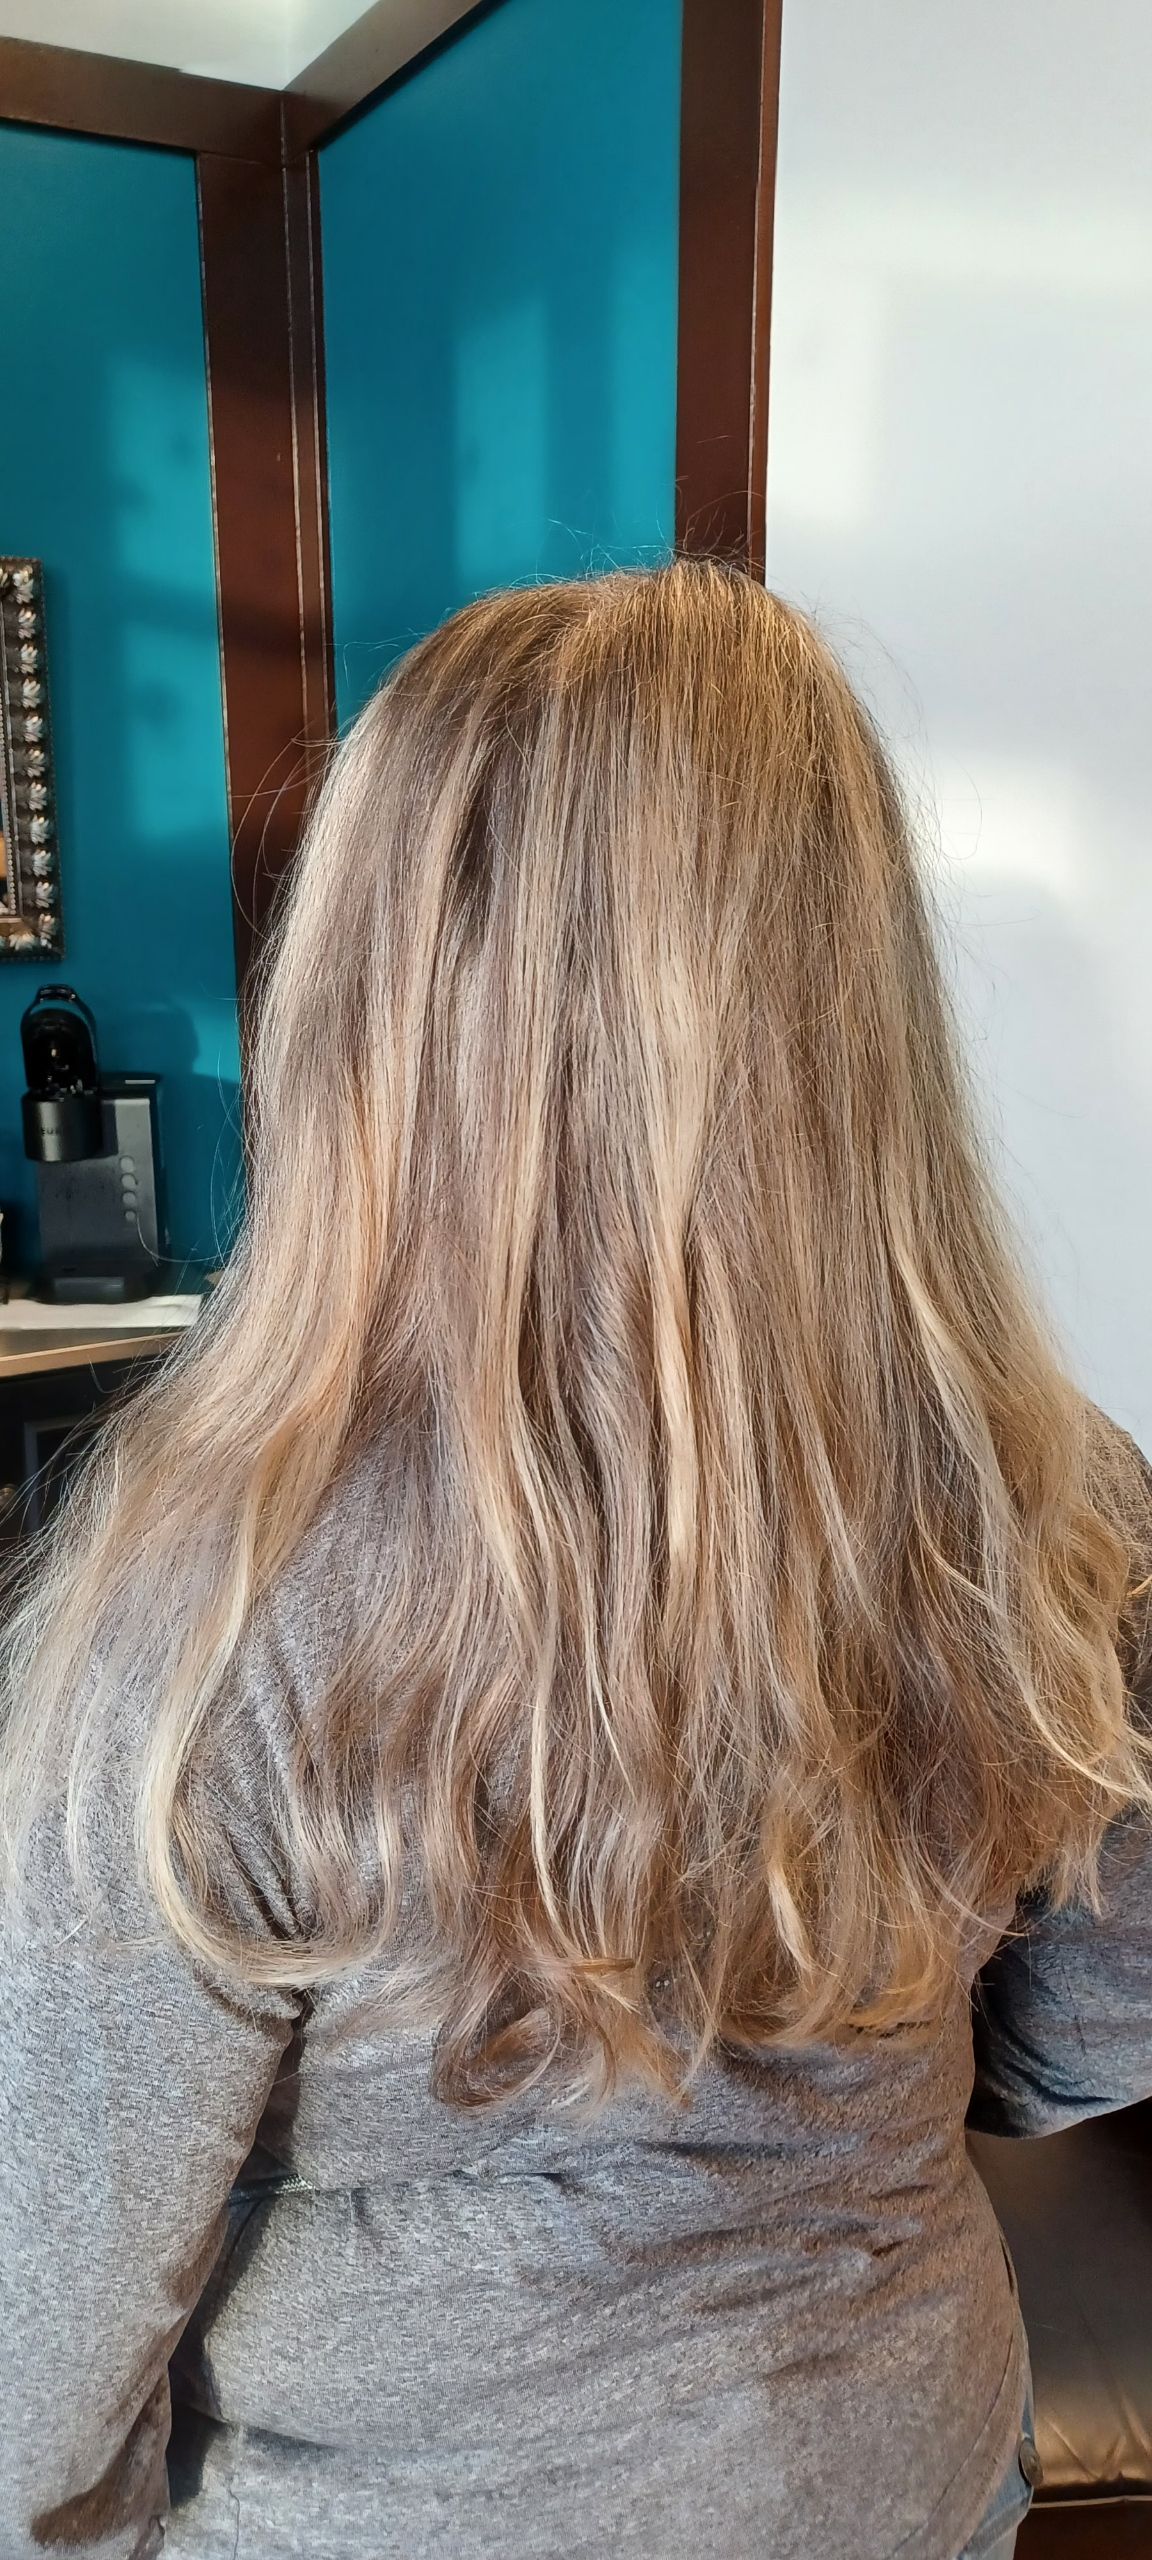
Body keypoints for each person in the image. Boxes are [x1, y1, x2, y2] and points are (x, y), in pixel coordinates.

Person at [1, 563, 1150, 2560]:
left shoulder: (201, 1611)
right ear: (856, 993)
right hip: (900, 2467)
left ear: (372, 995)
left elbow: (35, 2357)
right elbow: (1088, 2032)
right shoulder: (1059, 1495)